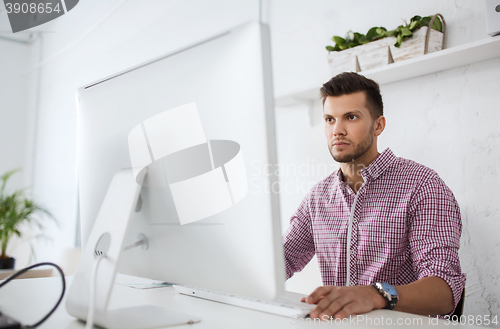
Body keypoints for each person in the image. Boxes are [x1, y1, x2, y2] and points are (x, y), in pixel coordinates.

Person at [283, 72, 466, 320]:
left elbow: (444, 292)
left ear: (378, 125)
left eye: (351, 117)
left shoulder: (423, 186)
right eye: (329, 119)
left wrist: (374, 294)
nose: (337, 130)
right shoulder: (318, 197)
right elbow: (281, 261)